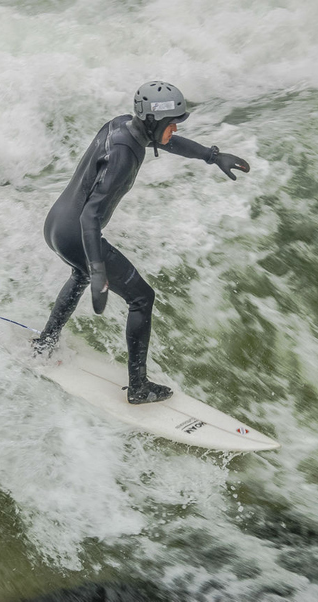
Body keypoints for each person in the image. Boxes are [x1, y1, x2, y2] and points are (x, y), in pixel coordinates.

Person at [32, 81, 250, 404]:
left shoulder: (125, 126)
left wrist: (212, 156)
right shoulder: (123, 155)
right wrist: (98, 271)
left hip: (56, 225)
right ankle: (138, 388)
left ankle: (46, 342)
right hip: (76, 233)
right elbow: (89, 218)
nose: (175, 128)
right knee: (142, 298)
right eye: (171, 123)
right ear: (153, 123)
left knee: (79, 276)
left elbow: (168, 143)